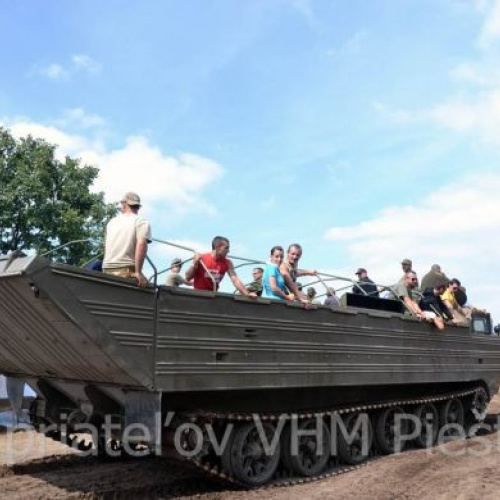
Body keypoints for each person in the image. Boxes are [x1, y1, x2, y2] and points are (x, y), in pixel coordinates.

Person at [102, 192, 151, 287]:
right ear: (138, 207)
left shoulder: (111, 222)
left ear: (124, 204)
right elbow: (141, 244)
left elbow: (105, 246)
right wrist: (138, 272)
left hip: (106, 269)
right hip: (126, 270)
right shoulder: (141, 222)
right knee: (148, 286)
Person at [185, 236, 256, 297]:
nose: (228, 251)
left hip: (213, 296)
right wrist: (195, 264)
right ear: (217, 247)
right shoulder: (202, 258)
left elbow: (235, 279)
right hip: (198, 295)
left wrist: (247, 294)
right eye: (226, 248)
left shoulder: (228, 263)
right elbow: (188, 277)